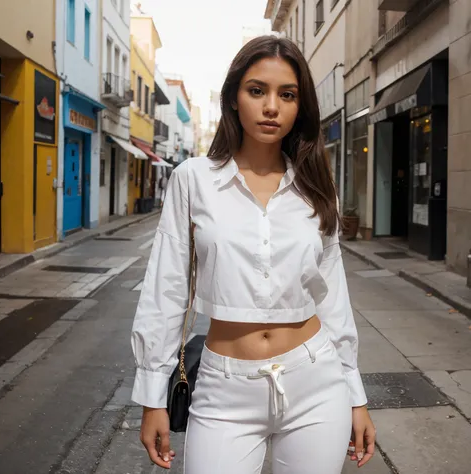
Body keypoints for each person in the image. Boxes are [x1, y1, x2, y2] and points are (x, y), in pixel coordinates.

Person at [131, 36, 375, 474]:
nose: (271, 107)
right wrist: (153, 396)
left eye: (287, 95)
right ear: (233, 98)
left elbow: (332, 295)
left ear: (300, 107)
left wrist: (355, 393)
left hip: (316, 383)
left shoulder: (316, 186)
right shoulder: (194, 180)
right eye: (257, 90)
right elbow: (166, 289)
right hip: (224, 388)